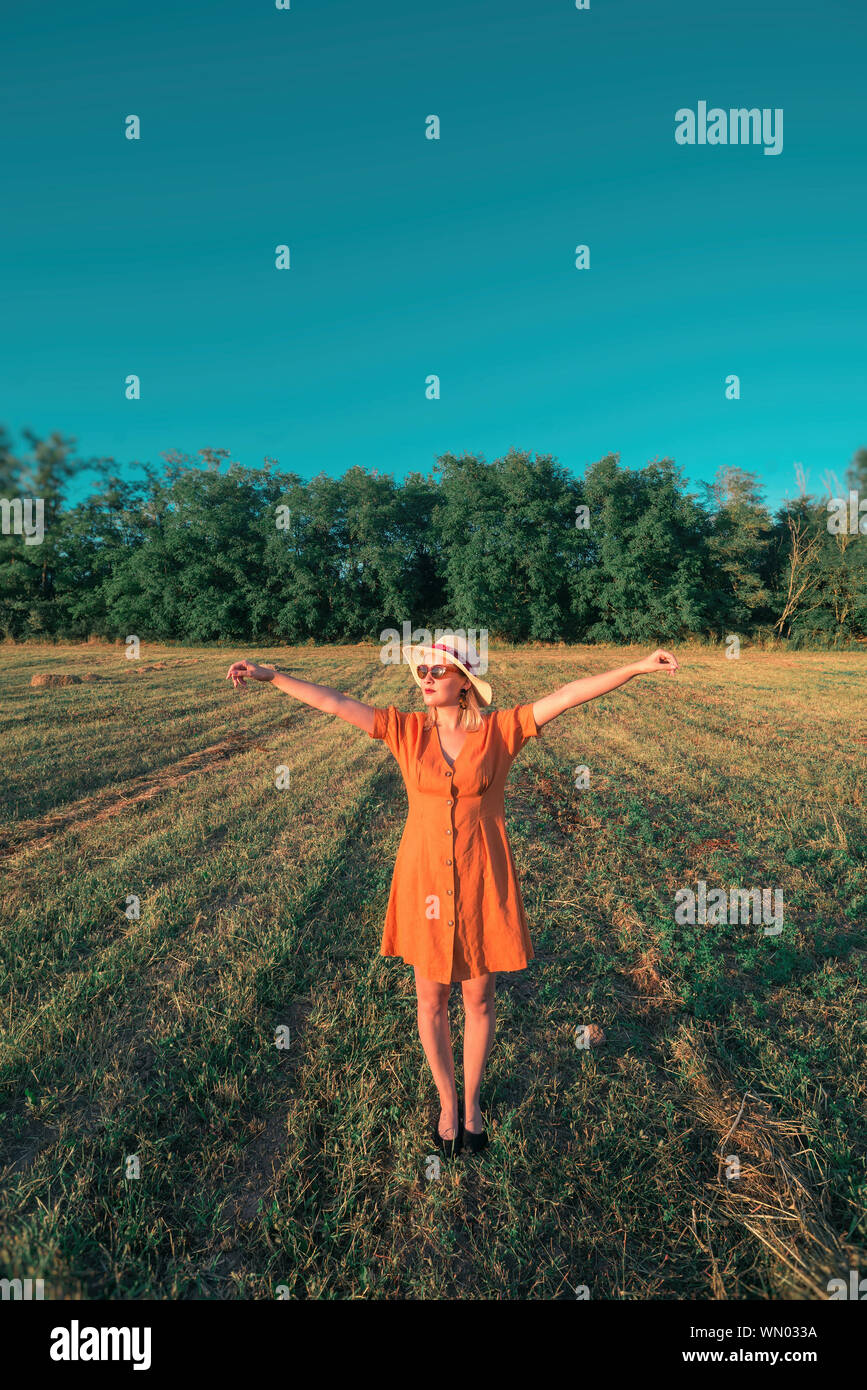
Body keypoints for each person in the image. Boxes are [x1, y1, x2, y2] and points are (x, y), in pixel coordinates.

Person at [226, 637, 678, 1159]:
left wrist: (638, 667)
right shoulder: (405, 730)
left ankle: (472, 1106)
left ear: (465, 679)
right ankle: (446, 1104)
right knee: (431, 1000)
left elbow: (569, 694)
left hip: (483, 879)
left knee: (480, 998)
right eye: (421, 668)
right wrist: (271, 675)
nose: (426, 676)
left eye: (438, 669)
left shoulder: (500, 731)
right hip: (425, 885)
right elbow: (337, 702)